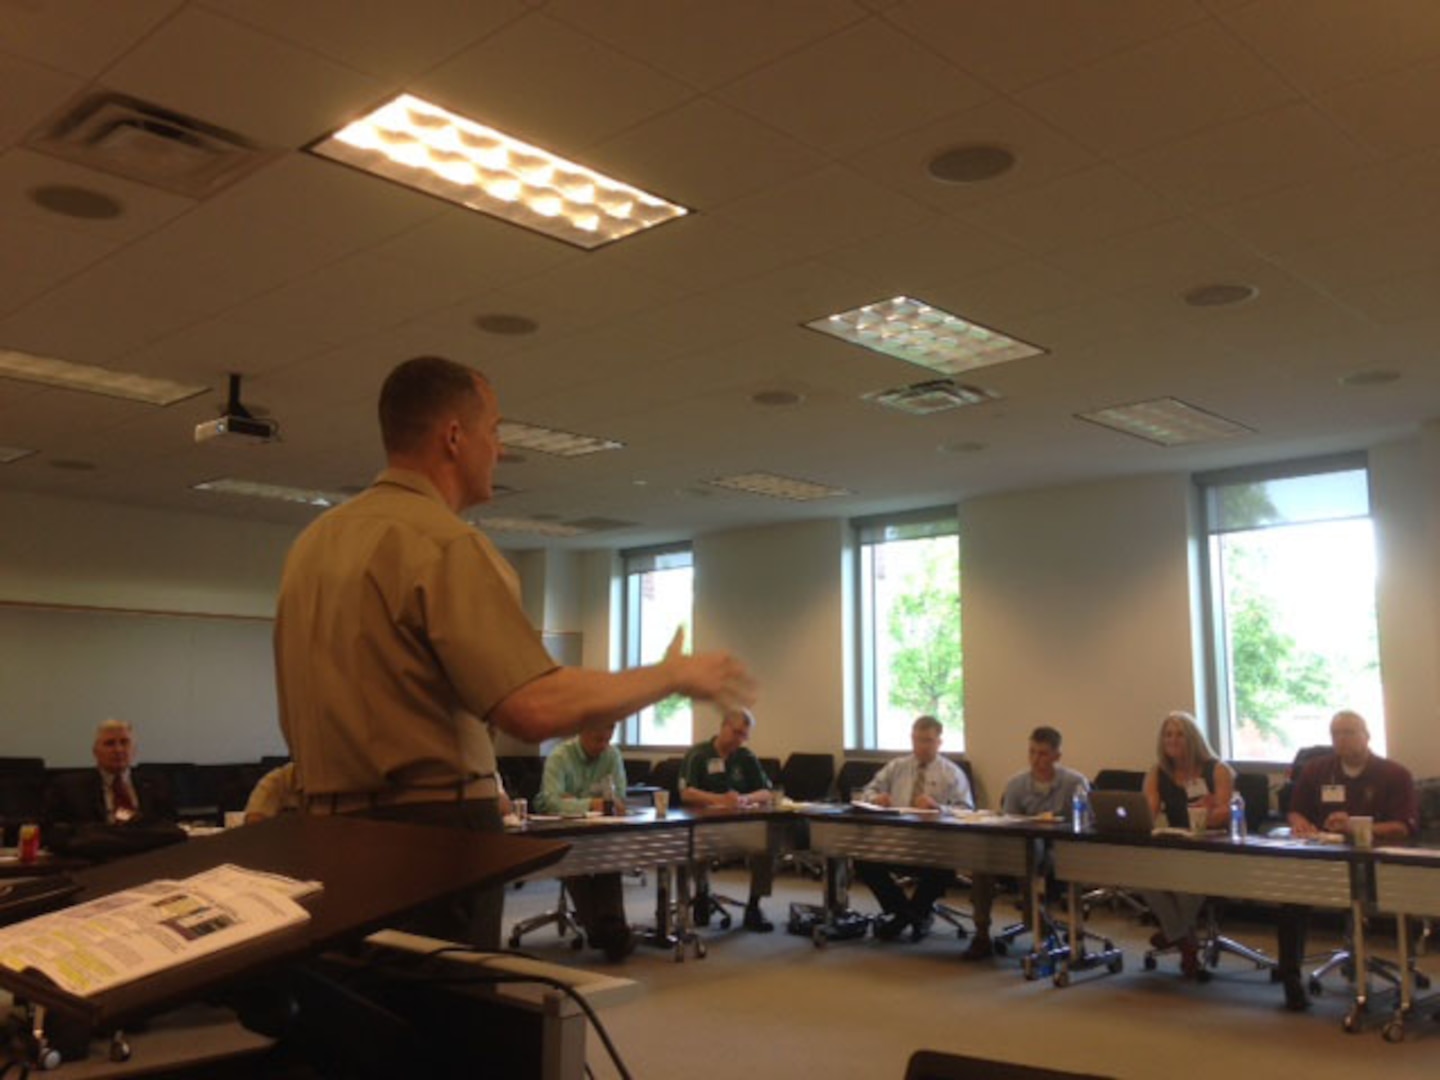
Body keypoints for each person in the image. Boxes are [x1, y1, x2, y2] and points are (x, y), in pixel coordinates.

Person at [274, 355, 755, 948]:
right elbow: (531, 706)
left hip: (322, 834)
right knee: (446, 1025)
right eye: (495, 430)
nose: (499, 449)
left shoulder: (311, 545)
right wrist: (671, 675)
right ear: (454, 436)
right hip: (429, 838)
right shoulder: (444, 544)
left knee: (359, 1021)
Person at [1276, 709, 1417, 1010]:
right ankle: (1290, 977)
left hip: (1375, 865)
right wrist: (1299, 823)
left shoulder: (1394, 774)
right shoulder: (1316, 770)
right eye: (1335, 734)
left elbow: (1402, 826)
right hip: (1323, 861)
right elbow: (1295, 809)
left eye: (1349, 732)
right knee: (1288, 896)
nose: (1341, 739)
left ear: (1367, 736)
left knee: (1405, 897)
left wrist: (1355, 826)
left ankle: (1408, 973)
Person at [963, 726, 1089, 960]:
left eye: (1042, 753)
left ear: (1056, 756)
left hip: (1058, 851)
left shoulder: (1075, 783)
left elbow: (1085, 825)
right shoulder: (1016, 784)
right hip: (1021, 848)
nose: (1035, 759)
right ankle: (981, 934)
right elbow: (1009, 823)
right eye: (1031, 752)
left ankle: (1039, 927)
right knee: (984, 863)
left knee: (1030, 855)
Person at [855, 715, 974, 942]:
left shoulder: (951, 773)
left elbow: (966, 810)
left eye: (928, 741)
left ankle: (905, 918)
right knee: (862, 861)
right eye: (917, 740)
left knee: (942, 870)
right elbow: (867, 791)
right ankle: (907, 914)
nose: (922, 746)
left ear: (939, 742)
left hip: (935, 846)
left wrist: (938, 808)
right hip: (896, 840)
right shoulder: (897, 766)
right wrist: (875, 798)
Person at [1140, 710, 1235, 978]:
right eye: (1168, 735)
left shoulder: (1218, 769)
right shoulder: (1159, 772)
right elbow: (1148, 812)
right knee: (1140, 876)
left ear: (1192, 737)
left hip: (1211, 846)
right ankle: (1183, 936)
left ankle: (1178, 937)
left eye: (1179, 734)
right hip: (1177, 844)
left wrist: (1212, 810)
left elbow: (1227, 812)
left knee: (1187, 883)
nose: (1172, 740)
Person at [535, 720, 634, 961]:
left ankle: (614, 931)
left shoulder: (611, 755)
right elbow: (550, 802)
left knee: (609, 864)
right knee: (575, 864)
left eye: (607, 740)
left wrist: (574, 801)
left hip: (600, 832)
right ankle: (604, 934)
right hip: (563, 833)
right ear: (582, 733)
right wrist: (593, 802)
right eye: (598, 740)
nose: (603, 746)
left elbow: (619, 799)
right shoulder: (560, 756)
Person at [679, 707, 776, 931]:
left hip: (742, 824)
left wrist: (742, 799)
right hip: (707, 825)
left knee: (766, 845)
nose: (740, 740)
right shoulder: (699, 754)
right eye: (737, 733)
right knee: (695, 842)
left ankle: (754, 905)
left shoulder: (745, 757)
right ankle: (701, 894)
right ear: (723, 727)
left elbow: (766, 792)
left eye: (744, 735)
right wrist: (720, 800)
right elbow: (687, 792)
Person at [43, 719, 176, 827]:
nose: (118, 750)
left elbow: (170, 825)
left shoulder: (155, 783)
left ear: (134, 750)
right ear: (95, 752)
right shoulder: (69, 788)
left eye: (124, 742)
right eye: (109, 744)